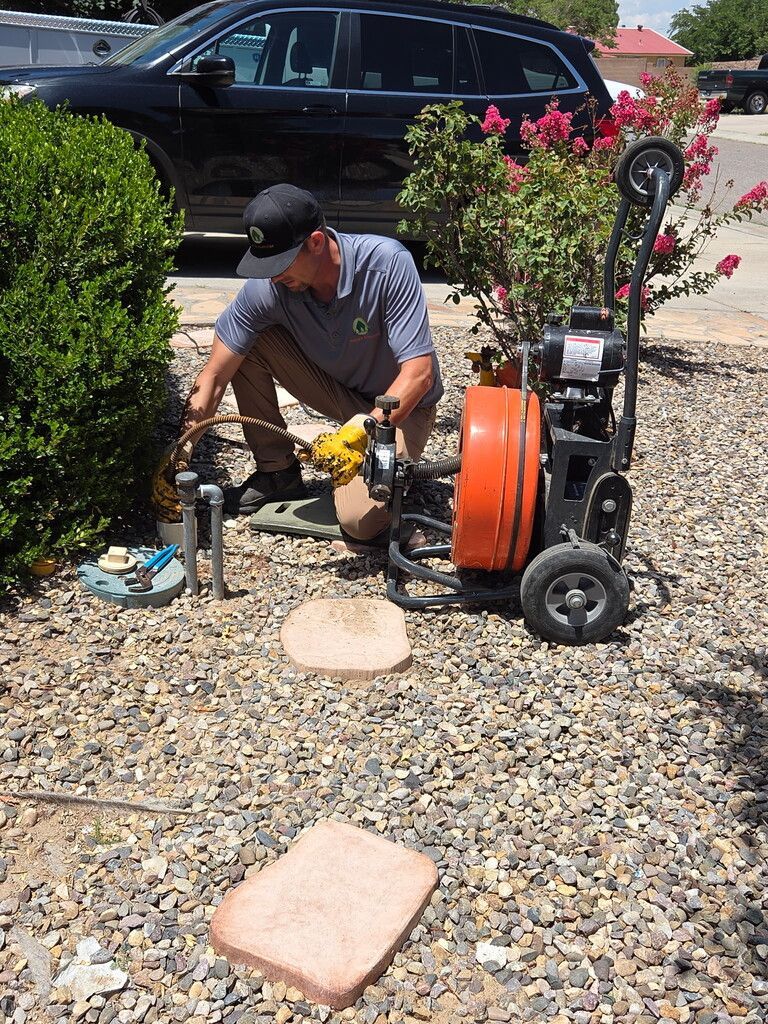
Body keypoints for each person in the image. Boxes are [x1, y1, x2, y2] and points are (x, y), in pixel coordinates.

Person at [177, 183, 443, 547]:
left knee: (359, 523)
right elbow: (214, 375)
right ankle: (277, 474)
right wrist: (181, 452)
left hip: (401, 410)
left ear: (316, 242)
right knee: (247, 347)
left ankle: (393, 496)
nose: (272, 276)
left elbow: (419, 374)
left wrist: (362, 431)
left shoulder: (385, 264)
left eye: (281, 263)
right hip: (337, 390)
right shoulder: (271, 289)